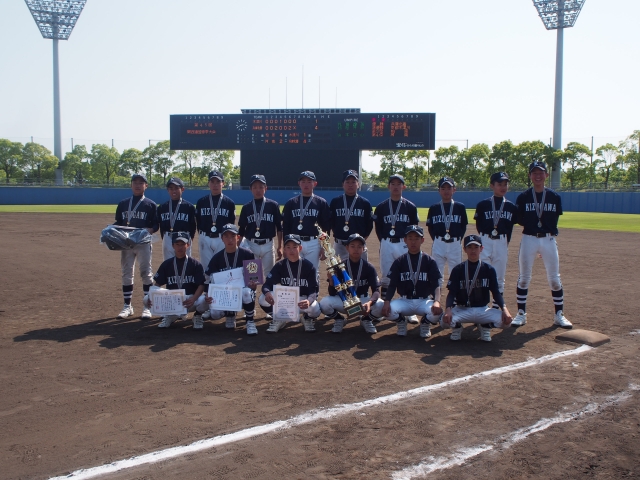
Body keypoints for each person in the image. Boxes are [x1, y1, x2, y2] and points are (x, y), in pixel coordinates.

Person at [511, 162, 572, 329]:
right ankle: (521, 314)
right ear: (530, 176)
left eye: (541, 173)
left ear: (546, 175)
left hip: (548, 239)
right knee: (524, 278)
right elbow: (520, 219)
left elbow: (554, 219)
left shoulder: (554, 197)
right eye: (534, 173)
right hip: (529, 238)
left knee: (555, 279)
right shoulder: (523, 197)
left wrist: (544, 239)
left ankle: (559, 315)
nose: (538, 176)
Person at [371, 225, 443, 337]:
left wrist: (437, 301)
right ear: (405, 240)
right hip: (404, 301)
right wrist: (387, 301)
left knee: (437, 312)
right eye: (410, 238)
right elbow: (392, 285)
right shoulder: (400, 261)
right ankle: (401, 322)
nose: (413, 242)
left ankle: (425, 324)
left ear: (422, 240)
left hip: (424, 300)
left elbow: (436, 284)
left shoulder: (429, 261)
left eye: (417, 238)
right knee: (385, 310)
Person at [441, 235, 513, 341]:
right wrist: (448, 309)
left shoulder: (489, 269)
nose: (473, 250)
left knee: (507, 322)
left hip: (482, 309)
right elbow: (452, 293)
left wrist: (505, 309)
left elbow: (496, 292)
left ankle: (486, 326)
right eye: (470, 247)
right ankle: (457, 327)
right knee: (444, 321)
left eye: (476, 247)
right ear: (465, 249)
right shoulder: (458, 269)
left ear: (481, 249)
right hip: (463, 309)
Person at [372, 174, 420, 323]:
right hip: (387, 242)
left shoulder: (410, 207)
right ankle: (383, 308)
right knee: (386, 275)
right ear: (389, 187)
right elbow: (378, 227)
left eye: (399, 184)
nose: (396, 186)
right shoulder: (381, 207)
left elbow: (414, 228)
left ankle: (410, 310)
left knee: (408, 273)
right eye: (393, 184)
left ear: (403, 187)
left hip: (403, 243)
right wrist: (384, 241)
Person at [114, 173, 159, 320]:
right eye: (135, 182)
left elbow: (156, 225)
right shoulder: (123, 203)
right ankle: (127, 306)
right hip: (126, 243)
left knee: (146, 273)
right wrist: (111, 230)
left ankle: (147, 306)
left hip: (143, 243)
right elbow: (118, 222)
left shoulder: (151, 204)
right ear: (131, 185)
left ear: (146, 186)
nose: (138, 185)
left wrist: (149, 230)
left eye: (141, 183)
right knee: (126, 273)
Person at [258, 234, 321, 333]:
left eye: (295, 247)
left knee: (315, 309)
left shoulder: (309, 267)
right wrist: (267, 292)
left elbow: (313, 291)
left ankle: (306, 318)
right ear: (284, 250)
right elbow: (267, 285)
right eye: (288, 247)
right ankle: (278, 318)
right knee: (262, 299)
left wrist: (308, 301)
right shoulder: (280, 266)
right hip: (285, 300)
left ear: (300, 248)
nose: (291, 250)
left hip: (301, 300)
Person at [144, 232, 208, 329]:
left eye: (182, 244)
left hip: (190, 299)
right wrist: (151, 296)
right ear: (173, 245)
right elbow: (157, 284)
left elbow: (201, 285)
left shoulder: (195, 264)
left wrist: (194, 298)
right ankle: (170, 316)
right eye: (177, 244)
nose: (180, 247)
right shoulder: (167, 264)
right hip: (172, 299)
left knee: (206, 299)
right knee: (146, 298)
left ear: (188, 245)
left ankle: (197, 315)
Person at [319, 234, 380, 334]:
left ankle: (366, 320)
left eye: (359, 246)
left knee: (381, 305)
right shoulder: (339, 266)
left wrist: (369, 303)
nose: (356, 249)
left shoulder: (369, 267)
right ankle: (339, 319)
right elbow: (332, 293)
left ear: (363, 249)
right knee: (324, 303)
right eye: (352, 246)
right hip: (345, 301)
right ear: (347, 248)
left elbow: (376, 290)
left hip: (363, 301)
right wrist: (331, 281)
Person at [205, 224, 259, 335]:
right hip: (226, 294)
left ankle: (250, 321)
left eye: (233, 236)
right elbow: (209, 280)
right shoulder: (217, 258)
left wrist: (253, 286)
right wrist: (207, 293)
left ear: (238, 237)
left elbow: (254, 278)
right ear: (222, 238)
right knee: (214, 313)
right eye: (226, 236)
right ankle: (230, 314)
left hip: (243, 292)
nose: (230, 240)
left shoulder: (248, 254)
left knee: (247, 292)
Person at [473, 172, 517, 305]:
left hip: (502, 241)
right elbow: (479, 225)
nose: (503, 187)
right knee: (482, 273)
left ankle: (497, 306)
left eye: (505, 184)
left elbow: (510, 227)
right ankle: (482, 305)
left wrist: (505, 241)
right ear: (492, 185)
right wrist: (485, 238)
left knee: (499, 277)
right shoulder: (483, 204)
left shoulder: (511, 206)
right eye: (499, 184)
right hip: (485, 240)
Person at [281, 171, 331, 272]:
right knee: (294, 271)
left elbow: (326, 226)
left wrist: (324, 247)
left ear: (315, 183)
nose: (306, 184)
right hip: (294, 243)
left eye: (309, 181)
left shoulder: (321, 203)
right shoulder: (291, 203)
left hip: (314, 242)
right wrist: (285, 246)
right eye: (303, 181)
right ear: (299, 183)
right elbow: (286, 226)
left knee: (313, 272)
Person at [238, 174, 283, 281]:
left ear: (265, 188)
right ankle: (251, 292)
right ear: (251, 189)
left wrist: (280, 246)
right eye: (255, 187)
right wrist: (237, 246)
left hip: (268, 244)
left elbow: (279, 227)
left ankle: (267, 292)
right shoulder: (246, 207)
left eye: (261, 187)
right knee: (252, 277)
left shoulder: (273, 205)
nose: (258, 190)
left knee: (270, 276)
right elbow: (241, 229)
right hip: (251, 245)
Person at [195, 170, 236, 278]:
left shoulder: (229, 203)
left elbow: (231, 222)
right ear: (208, 183)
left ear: (223, 183)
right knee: (206, 269)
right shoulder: (201, 202)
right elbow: (198, 221)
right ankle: (207, 288)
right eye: (212, 182)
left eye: (218, 182)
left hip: (221, 238)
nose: (215, 185)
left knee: (222, 267)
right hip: (205, 237)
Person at [426, 176, 468, 283]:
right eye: (443, 188)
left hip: (455, 244)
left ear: (454, 190)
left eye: (449, 188)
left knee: (456, 273)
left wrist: (457, 239)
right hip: (439, 243)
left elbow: (463, 226)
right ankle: (437, 293)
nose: (446, 191)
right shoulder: (434, 208)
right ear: (439, 190)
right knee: (436, 273)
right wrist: (437, 239)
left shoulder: (460, 207)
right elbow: (430, 227)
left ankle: (454, 294)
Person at [328, 169, 374, 262]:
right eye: (347, 182)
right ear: (343, 184)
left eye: (353, 182)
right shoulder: (335, 202)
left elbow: (369, 225)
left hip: (358, 246)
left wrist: (360, 241)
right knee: (338, 270)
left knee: (360, 270)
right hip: (340, 246)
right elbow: (331, 222)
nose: (350, 184)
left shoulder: (365, 203)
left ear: (358, 184)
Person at [158, 177, 197, 260]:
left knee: (185, 263)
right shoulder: (162, 207)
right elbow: (161, 226)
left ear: (182, 189)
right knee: (168, 263)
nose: (174, 191)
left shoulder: (189, 207)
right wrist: (165, 238)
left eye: (176, 188)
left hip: (184, 238)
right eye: (171, 188)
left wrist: (189, 239)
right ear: (168, 190)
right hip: (168, 237)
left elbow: (193, 226)